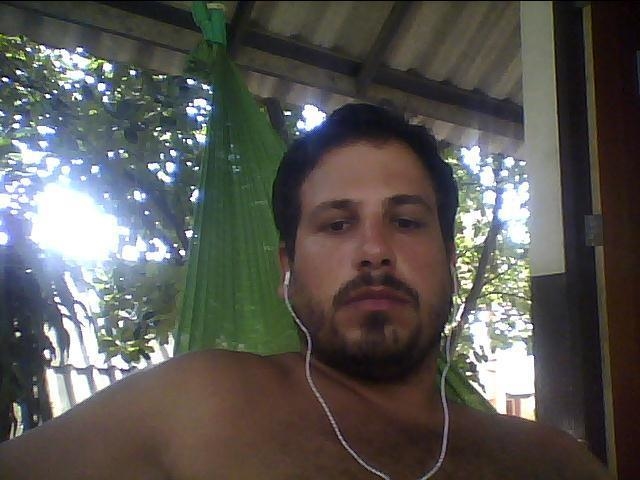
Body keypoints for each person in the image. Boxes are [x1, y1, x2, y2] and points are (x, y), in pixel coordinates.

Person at [0, 103, 612, 479]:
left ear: (451, 263)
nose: (374, 250)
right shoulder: (194, 406)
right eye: (337, 225)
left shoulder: (553, 463)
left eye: (405, 221)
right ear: (286, 269)